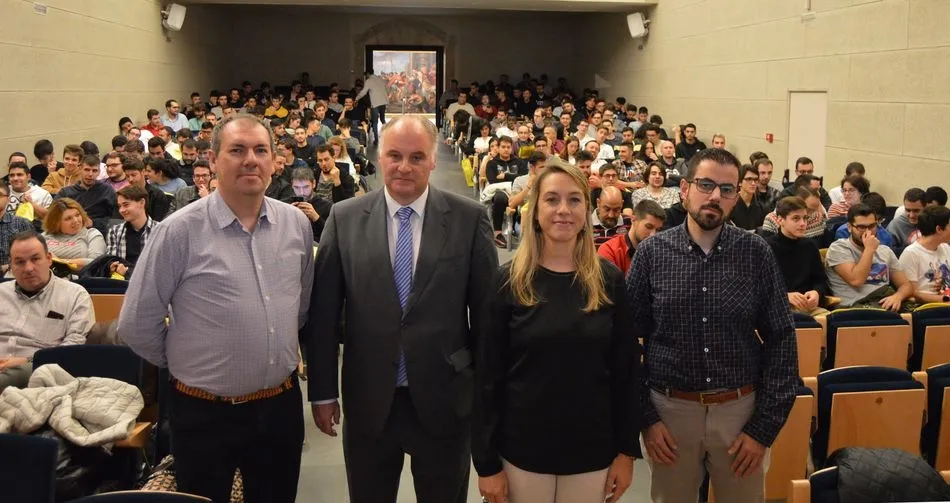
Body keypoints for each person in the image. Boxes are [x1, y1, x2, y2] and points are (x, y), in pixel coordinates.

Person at [118, 114, 315, 503]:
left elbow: (301, 308)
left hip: (279, 409)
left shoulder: (296, 225)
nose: (250, 160)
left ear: (276, 161)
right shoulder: (178, 231)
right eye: (236, 150)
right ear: (213, 160)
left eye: (261, 150)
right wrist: (190, 362)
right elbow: (137, 323)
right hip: (203, 412)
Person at [305, 116, 498, 503]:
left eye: (416, 156)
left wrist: (485, 398)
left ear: (432, 160)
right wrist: (322, 392)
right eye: (394, 155)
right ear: (379, 157)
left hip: (446, 399)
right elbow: (323, 315)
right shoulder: (344, 220)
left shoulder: (469, 219)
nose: (404, 166)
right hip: (370, 399)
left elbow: (488, 319)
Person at [627, 148, 798, 503]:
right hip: (670, 415)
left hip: (739, 414)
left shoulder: (756, 253)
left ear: (737, 196)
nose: (715, 196)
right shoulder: (652, 253)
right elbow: (626, 342)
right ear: (686, 189)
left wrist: (763, 429)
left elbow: (782, 339)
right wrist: (646, 418)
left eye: (727, 189)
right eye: (706, 185)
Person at [474, 162, 640, 503]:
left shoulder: (609, 280)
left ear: (586, 211)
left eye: (574, 200)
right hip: (521, 451)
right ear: (535, 211)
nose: (563, 210)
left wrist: (626, 451)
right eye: (552, 199)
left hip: (592, 452)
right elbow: (486, 378)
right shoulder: (508, 281)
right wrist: (487, 463)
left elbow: (626, 372)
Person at [0, 231, 92, 392]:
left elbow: (73, 347)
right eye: (19, 262)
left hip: (39, 372)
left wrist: (28, 360)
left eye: (35, 259)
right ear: (11, 265)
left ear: (49, 259)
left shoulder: (75, 295)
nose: (28, 268)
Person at [825, 203, 914, 311]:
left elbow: (906, 285)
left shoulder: (885, 251)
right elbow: (856, 280)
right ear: (849, 227)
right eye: (861, 227)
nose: (868, 232)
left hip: (884, 302)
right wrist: (869, 250)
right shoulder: (838, 248)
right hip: (855, 308)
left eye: (872, 226)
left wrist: (897, 297)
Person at [765, 197, 832, 315]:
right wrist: (785, 296)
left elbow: (821, 280)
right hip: (777, 309)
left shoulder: (809, 245)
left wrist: (816, 292)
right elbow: (758, 287)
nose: (802, 224)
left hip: (808, 308)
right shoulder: (766, 247)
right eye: (796, 218)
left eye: (805, 218)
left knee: (830, 323)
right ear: (781, 220)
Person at [898, 205, 950, 304]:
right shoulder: (911, 254)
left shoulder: (945, 247)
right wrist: (945, 299)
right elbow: (913, 294)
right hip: (928, 308)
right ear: (939, 229)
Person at [597, 199, 666, 275]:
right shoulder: (610, 250)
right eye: (648, 227)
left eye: (658, 230)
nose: (653, 234)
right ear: (633, 219)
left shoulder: (661, 252)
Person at [105, 185, 157, 279]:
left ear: (142, 203)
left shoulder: (160, 230)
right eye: (119, 206)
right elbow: (111, 260)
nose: (121, 210)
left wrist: (128, 272)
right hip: (122, 284)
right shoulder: (115, 231)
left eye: (126, 205)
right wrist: (111, 267)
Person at [56, 154, 117, 234]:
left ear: (99, 172)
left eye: (94, 170)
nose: (90, 174)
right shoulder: (65, 192)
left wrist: (93, 223)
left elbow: (116, 219)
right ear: (80, 169)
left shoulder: (107, 190)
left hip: (98, 232)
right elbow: (53, 215)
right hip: (70, 233)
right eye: (87, 170)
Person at [42, 198, 106, 271]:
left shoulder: (92, 234)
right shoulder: (44, 236)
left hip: (80, 279)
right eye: (68, 218)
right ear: (56, 223)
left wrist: (58, 262)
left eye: (77, 215)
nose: (76, 221)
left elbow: (96, 263)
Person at [290, 167, 332, 243]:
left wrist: (316, 218)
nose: (301, 192)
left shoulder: (327, 206)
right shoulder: (287, 205)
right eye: (296, 188)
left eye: (306, 187)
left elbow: (331, 236)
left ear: (314, 184)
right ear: (292, 186)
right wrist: (288, 216)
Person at [0, 180, 34, 274]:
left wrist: (7, 267)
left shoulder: (22, 223)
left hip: (15, 275)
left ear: (8, 199)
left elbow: (33, 253)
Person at [353, 69, 389, 144]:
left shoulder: (369, 81)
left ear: (368, 74)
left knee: (375, 122)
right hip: (383, 102)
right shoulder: (380, 79)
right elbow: (385, 89)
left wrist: (356, 98)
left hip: (375, 103)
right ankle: (387, 135)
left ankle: (376, 140)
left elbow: (363, 92)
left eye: (366, 75)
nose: (365, 76)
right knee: (382, 119)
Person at [729, 165, 768, 230]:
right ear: (740, 182)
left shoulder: (763, 208)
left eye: (756, 180)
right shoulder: (730, 205)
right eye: (749, 179)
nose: (753, 183)